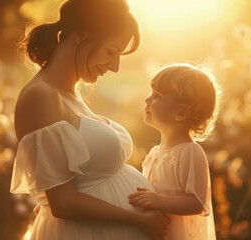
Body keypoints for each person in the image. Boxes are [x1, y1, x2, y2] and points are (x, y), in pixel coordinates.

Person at [9, 0, 169, 239]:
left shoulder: (69, 93)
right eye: (111, 51)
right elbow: (62, 202)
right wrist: (139, 219)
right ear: (80, 36)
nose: (115, 67)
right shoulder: (40, 96)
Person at [128, 64, 219, 240]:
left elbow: (196, 203)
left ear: (181, 111)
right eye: (151, 93)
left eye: (157, 96)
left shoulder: (190, 152)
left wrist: (157, 200)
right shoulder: (155, 152)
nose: (147, 100)